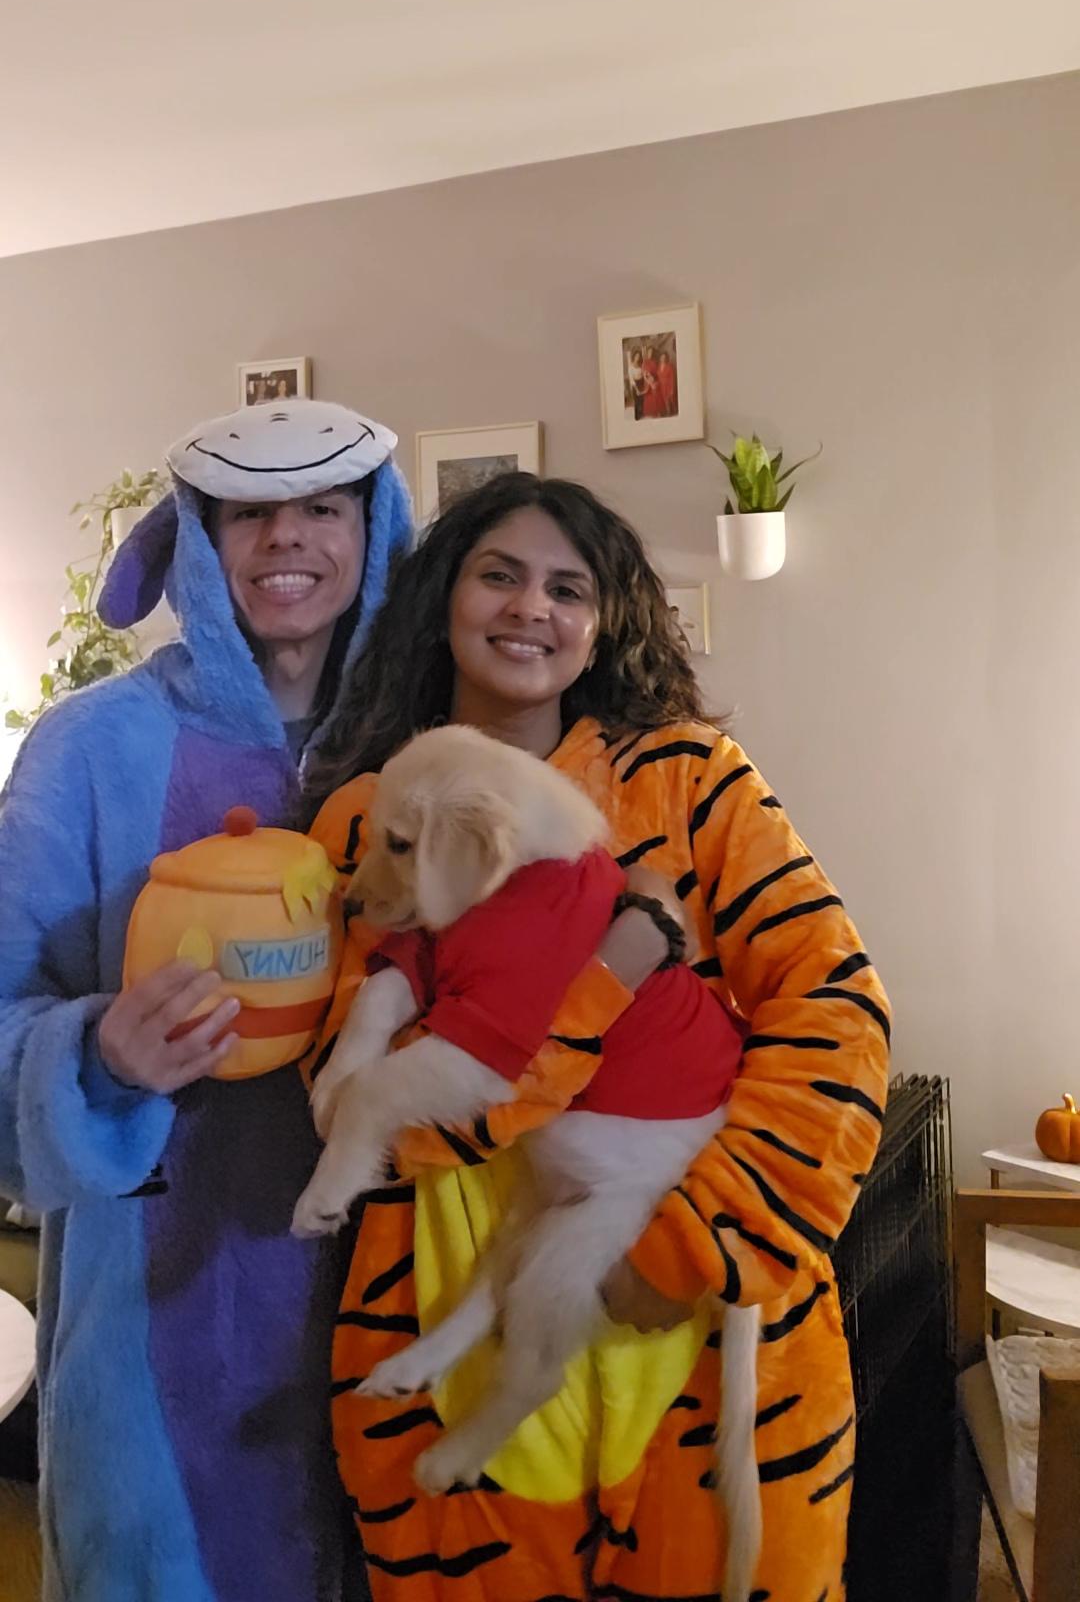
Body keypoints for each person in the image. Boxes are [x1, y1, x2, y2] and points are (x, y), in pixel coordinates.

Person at [305, 471, 891, 1602]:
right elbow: (375, 1111)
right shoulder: (367, 818)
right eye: (500, 575)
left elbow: (837, 1009)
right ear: (442, 599)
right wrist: (616, 968)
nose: (532, 608)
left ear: (601, 625)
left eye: (567, 588)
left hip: (712, 1351)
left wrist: (689, 1246)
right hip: (449, 1347)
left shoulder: (689, 782)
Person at [0, 398, 415, 1602]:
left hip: (400, 1305)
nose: (287, 539)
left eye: (324, 507)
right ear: (198, 535)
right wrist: (96, 1059)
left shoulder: (430, 746)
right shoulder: (89, 751)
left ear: (378, 528)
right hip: (151, 1330)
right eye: (250, 512)